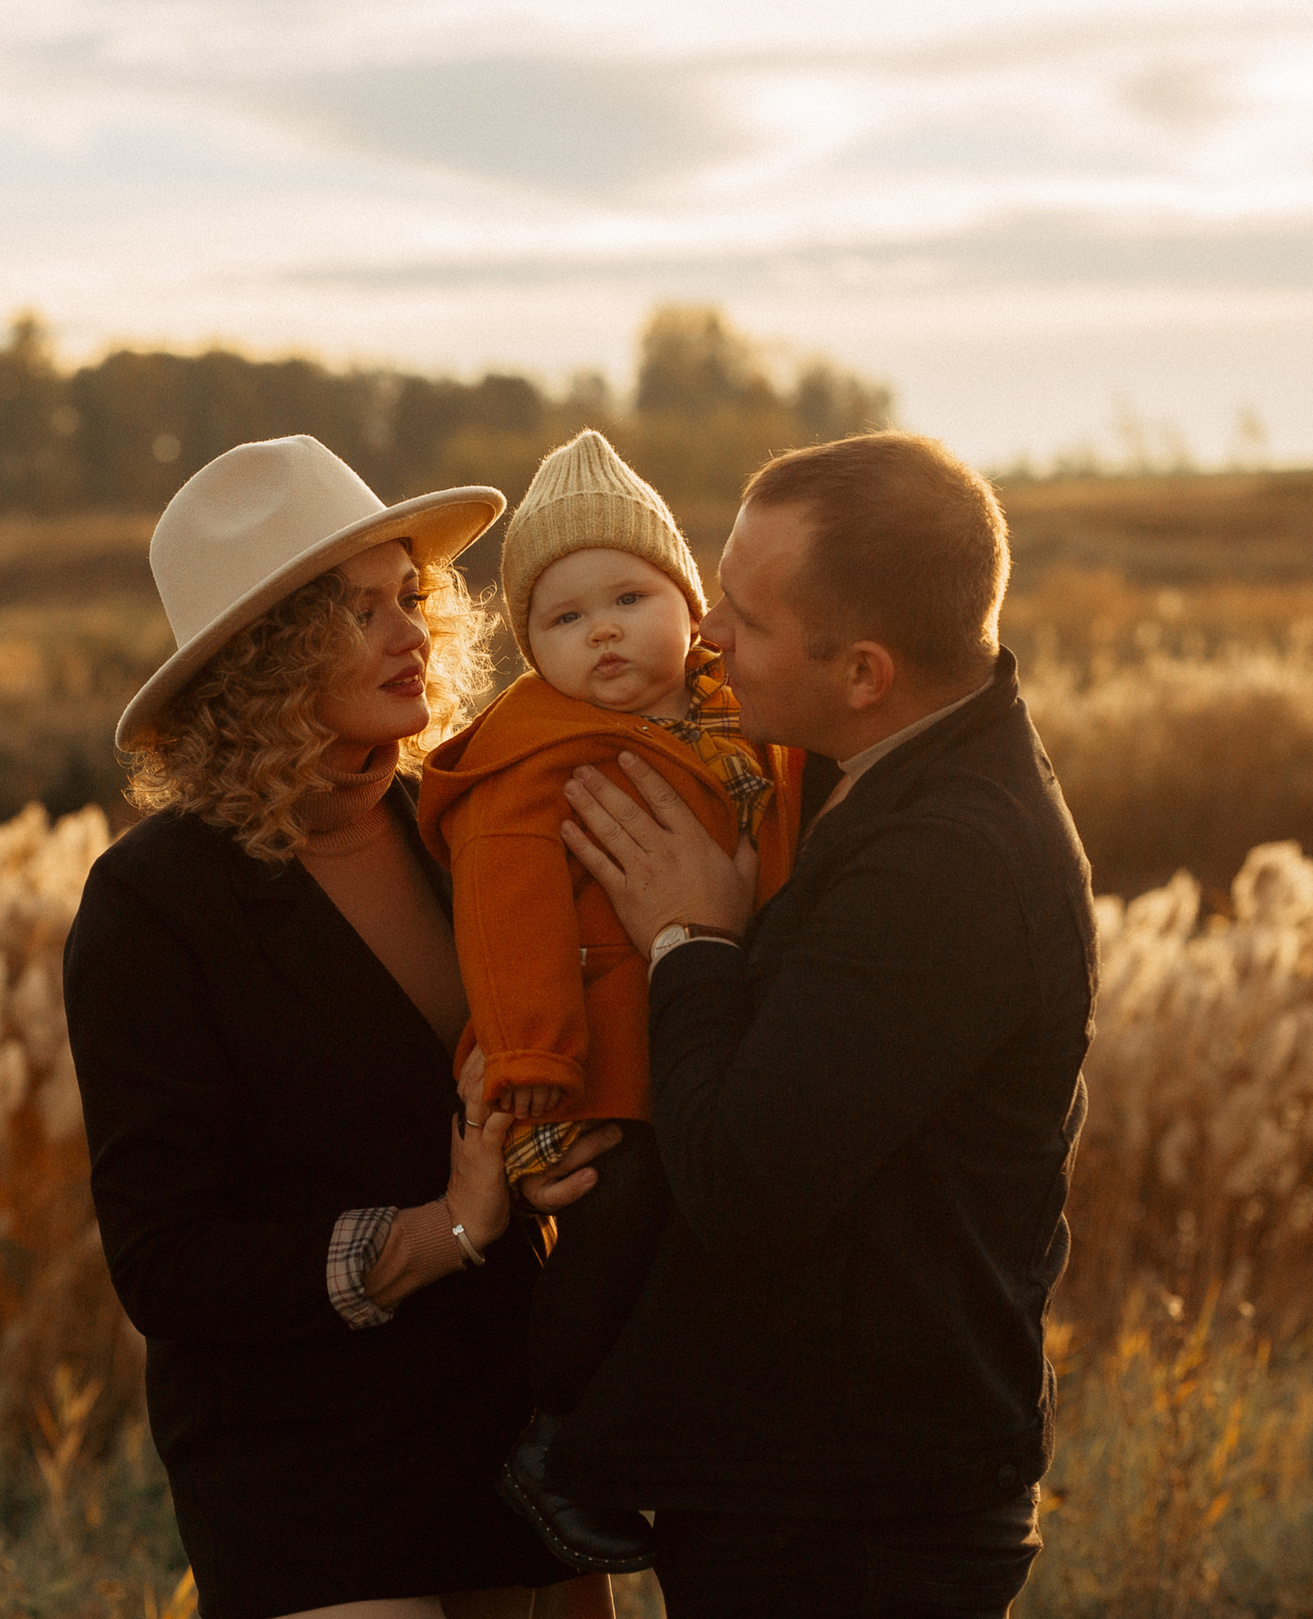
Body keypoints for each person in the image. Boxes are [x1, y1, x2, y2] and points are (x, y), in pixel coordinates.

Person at [62, 435, 617, 1619]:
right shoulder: (154, 904)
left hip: (512, 1435)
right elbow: (166, 1263)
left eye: (408, 597)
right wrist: (442, 1229)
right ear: (264, 659)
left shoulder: (464, 829)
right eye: (358, 610)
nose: (412, 631)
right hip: (302, 1471)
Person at [546, 432, 1096, 1616]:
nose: (705, 637)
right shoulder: (870, 767)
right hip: (811, 1481)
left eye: (743, 614)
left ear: (862, 672)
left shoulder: (949, 861)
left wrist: (691, 941)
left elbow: (742, 1175)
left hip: (858, 1517)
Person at [416, 431, 803, 1574]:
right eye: (564, 619)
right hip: (597, 1063)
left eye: (630, 598)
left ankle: (628, 1439)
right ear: (529, 649)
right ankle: (555, 1441)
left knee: (693, 1244)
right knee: (615, 1227)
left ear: (691, 607)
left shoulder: (741, 724)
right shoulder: (530, 760)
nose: (603, 633)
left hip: (711, 1037)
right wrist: (534, 1064)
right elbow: (505, 918)